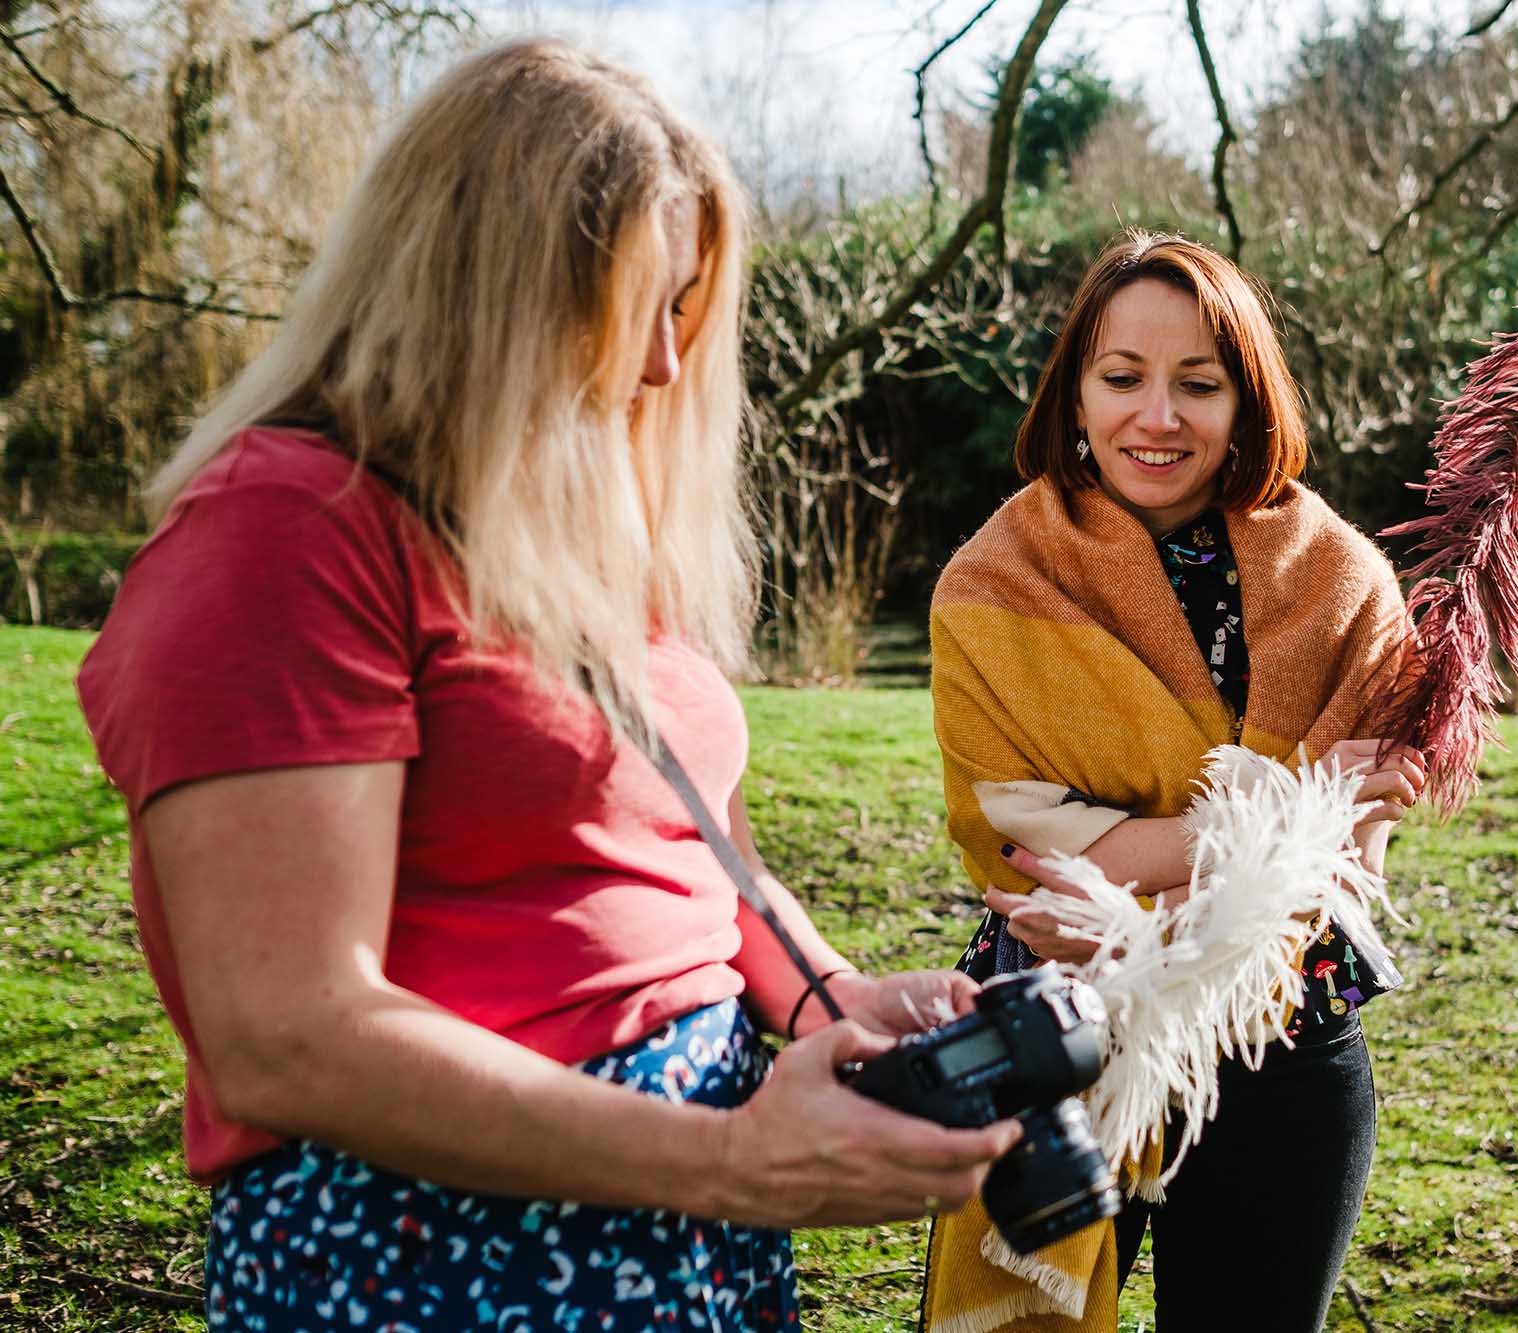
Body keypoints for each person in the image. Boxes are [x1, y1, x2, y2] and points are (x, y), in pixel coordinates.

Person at [76, 38, 1017, 1332]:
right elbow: (290, 1032)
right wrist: (732, 1163)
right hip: (437, 1247)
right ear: (487, 287)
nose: (663, 371)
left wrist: (829, 998)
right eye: (638, 307)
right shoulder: (285, 531)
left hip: (682, 1219)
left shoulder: (564, 530)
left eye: (684, 310)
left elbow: (703, 861)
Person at [921, 232, 1427, 1333]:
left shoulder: (1339, 580)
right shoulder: (991, 587)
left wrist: (1333, 817)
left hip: (1279, 1030)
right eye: (1122, 378)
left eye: (1198, 384)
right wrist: (1286, 809)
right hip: (1061, 1025)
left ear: (1245, 402)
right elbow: (1035, 863)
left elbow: (1353, 862)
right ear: (1073, 397)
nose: (1158, 416)